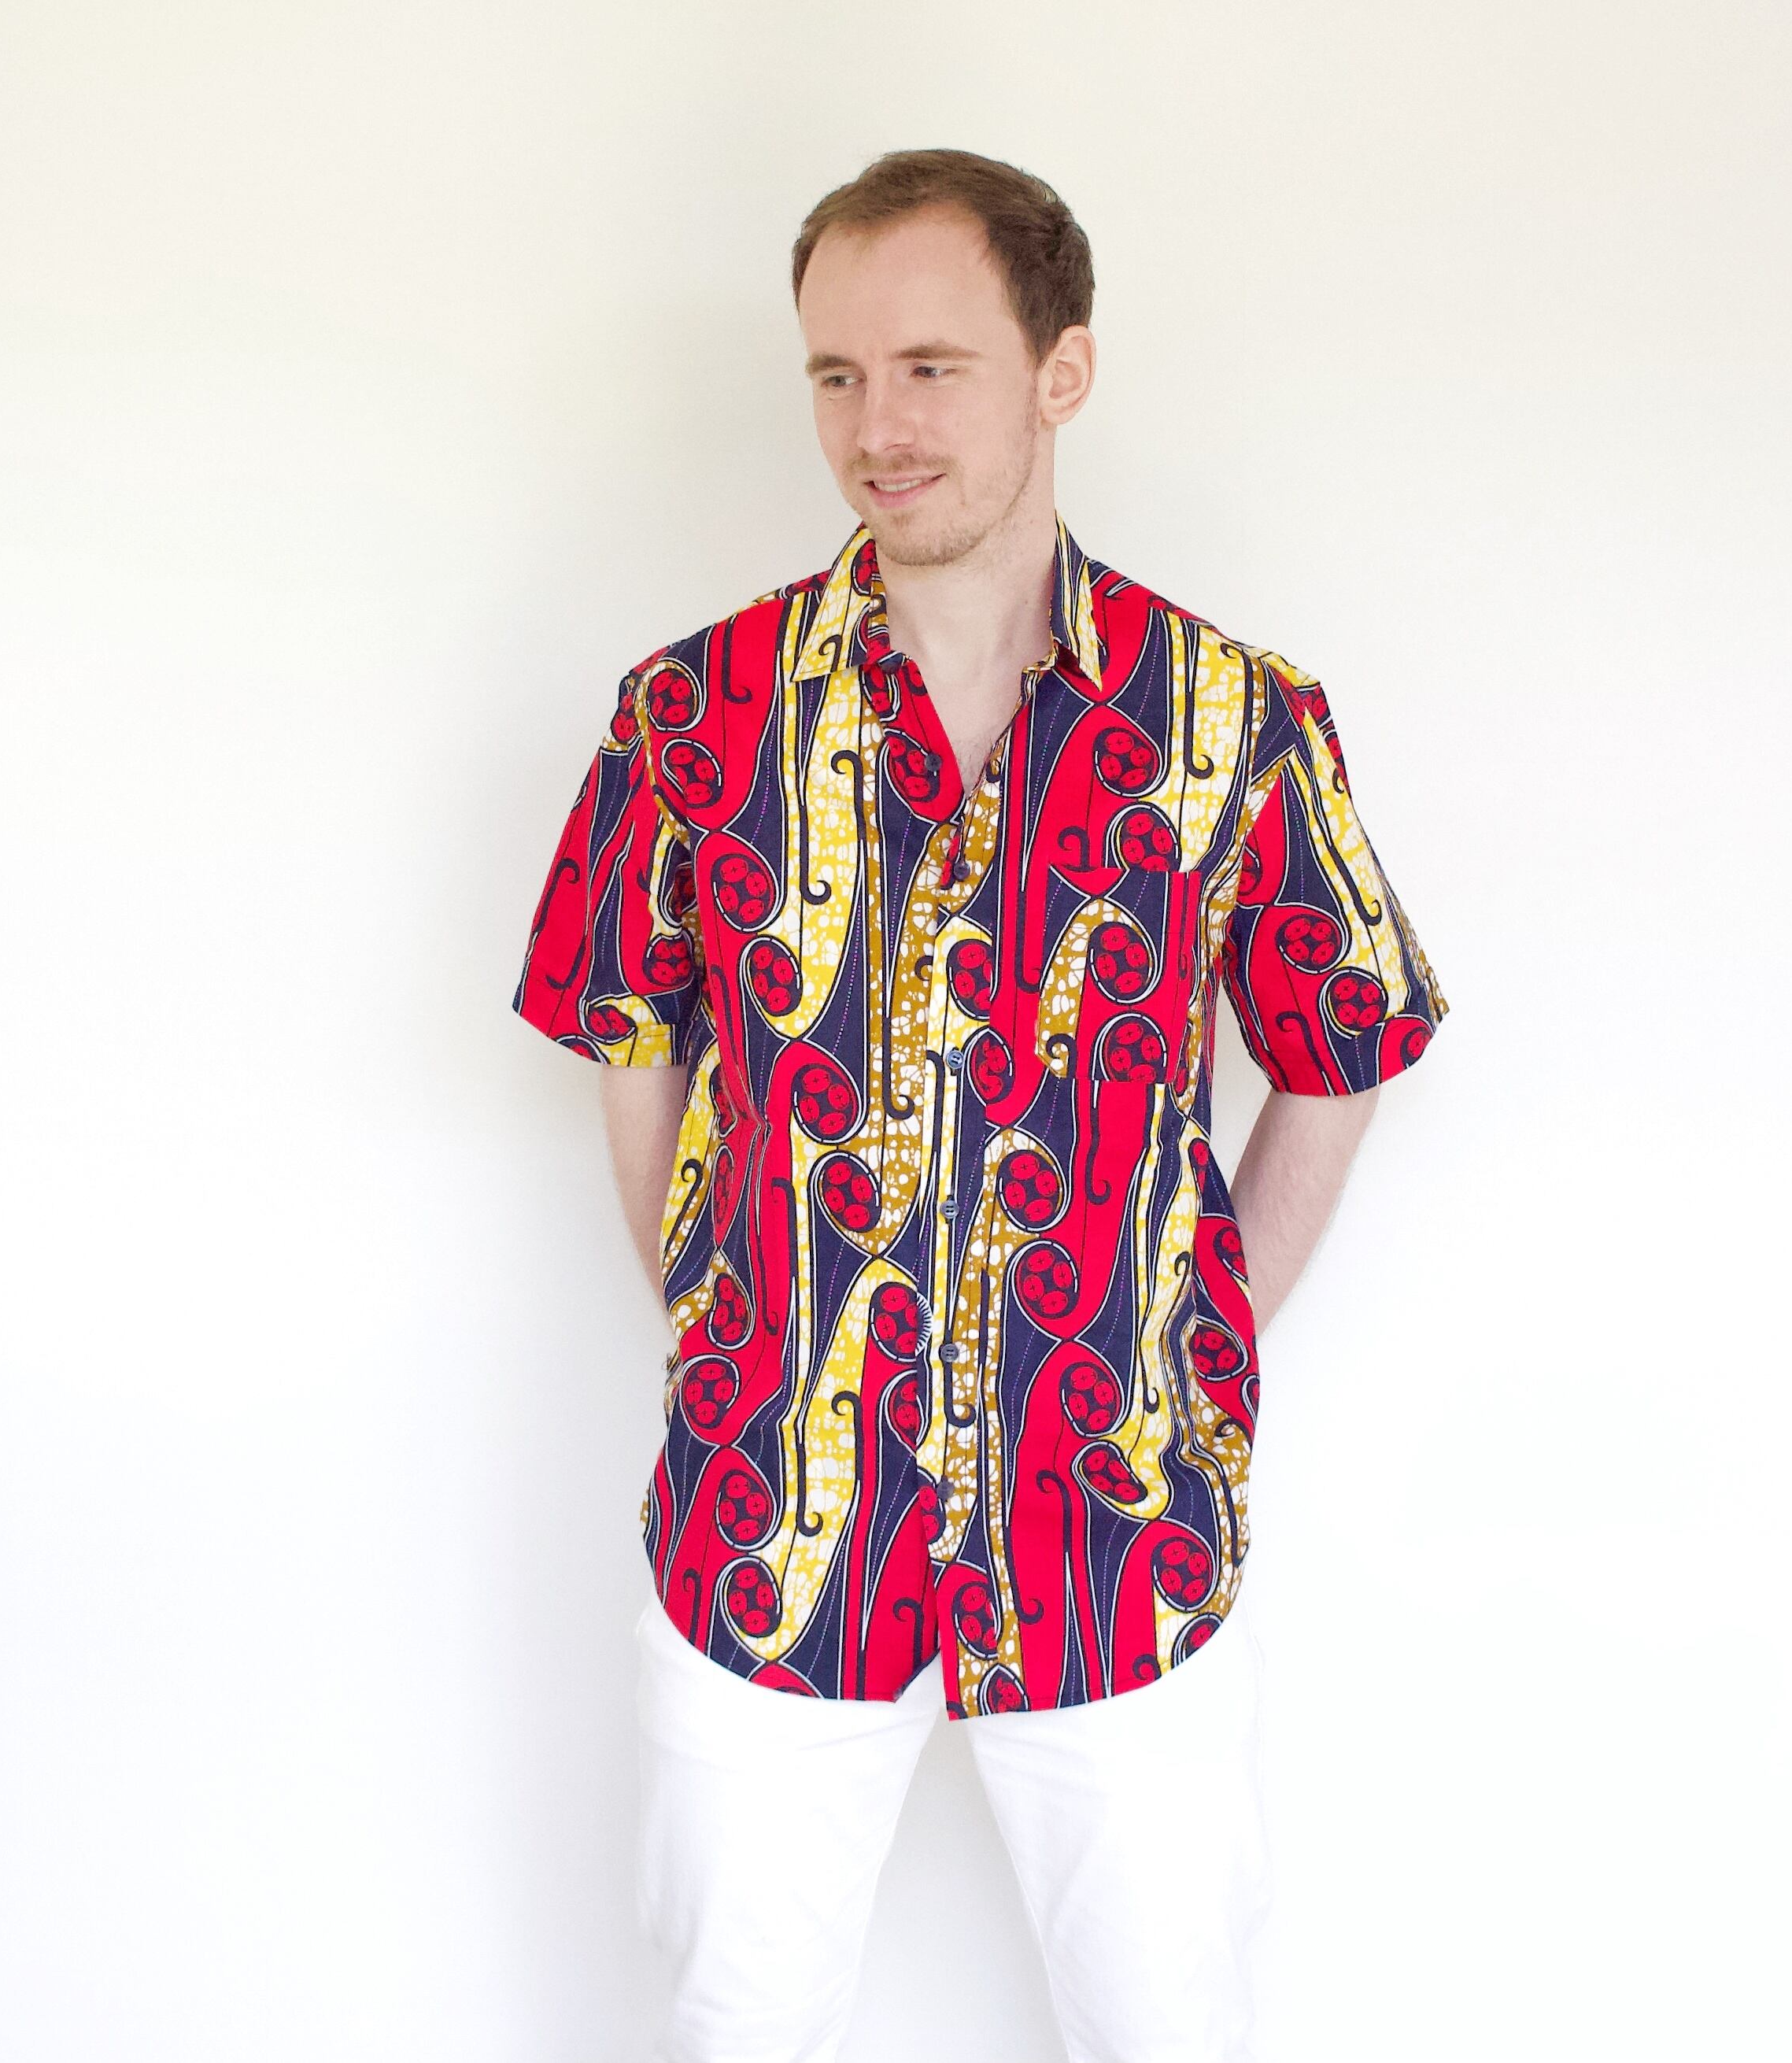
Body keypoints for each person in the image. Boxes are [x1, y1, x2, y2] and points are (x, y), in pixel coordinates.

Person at [512, 146, 1447, 2063]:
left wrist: (1194, 1339)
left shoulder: (1232, 719)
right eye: (837, 376)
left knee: (1170, 2029)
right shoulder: (691, 716)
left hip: (1119, 1540)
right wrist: (725, 1326)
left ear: (1061, 371)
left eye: (932, 368)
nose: (879, 427)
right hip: (771, 1536)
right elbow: (628, 1039)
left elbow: (1340, 1046)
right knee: (735, 2031)